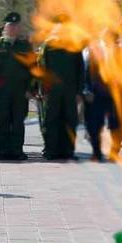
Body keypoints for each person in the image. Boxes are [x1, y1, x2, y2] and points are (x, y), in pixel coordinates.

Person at [0, 12, 33, 160]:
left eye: (15, 26)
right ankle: (2, 150)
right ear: (5, 28)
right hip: (2, 91)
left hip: (20, 91)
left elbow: (33, 69)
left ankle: (17, 150)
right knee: (2, 120)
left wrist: (30, 89)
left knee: (18, 121)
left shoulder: (25, 46)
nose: (12, 29)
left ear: (19, 28)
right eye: (9, 26)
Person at [39, 23, 84, 160]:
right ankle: (51, 150)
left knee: (70, 120)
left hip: (70, 91)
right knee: (51, 120)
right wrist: (43, 89)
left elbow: (80, 70)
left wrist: (78, 91)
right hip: (52, 91)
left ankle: (68, 151)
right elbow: (42, 68)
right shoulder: (48, 46)